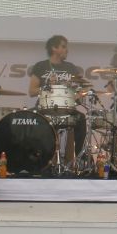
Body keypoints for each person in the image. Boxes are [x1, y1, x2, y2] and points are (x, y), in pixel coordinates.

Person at [28, 35, 86, 165]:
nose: (67, 50)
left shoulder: (71, 67)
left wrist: (77, 95)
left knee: (81, 119)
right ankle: (33, 160)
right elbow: (31, 91)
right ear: (54, 48)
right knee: (27, 118)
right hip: (44, 108)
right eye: (63, 47)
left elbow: (82, 88)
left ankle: (79, 159)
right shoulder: (41, 66)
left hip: (66, 109)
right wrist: (46, 85)